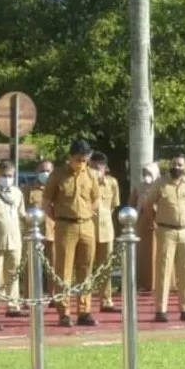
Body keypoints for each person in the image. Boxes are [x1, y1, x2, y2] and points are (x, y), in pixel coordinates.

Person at [43, 139, 100, 327]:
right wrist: (59, 219)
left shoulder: (91, 175)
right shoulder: (58, 175)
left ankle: (84, 311)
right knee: (64, 270)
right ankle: (64, 312)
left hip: (87, 225)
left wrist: (87, 214)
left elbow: (96, 199)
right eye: (78, 159)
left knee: (86, 269)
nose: (82, 163)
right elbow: (47, 203)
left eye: (85, 160)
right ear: (70, 157)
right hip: (65, 226)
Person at [147, 153, 185, 322]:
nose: (176, 167)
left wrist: (184, 221)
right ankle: (161, 310)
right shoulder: (160, 183)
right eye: (174, 164)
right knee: (163, 270)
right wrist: (154, 221)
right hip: (165, 231)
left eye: (180, 165)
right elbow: (147, 204)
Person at [0, 160, 26, 318]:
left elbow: (22, 214)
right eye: (4, 175)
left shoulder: (17, 192)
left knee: (13, 274)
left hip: (14, 240)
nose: (7, 178)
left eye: (10, 176)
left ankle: (13, 305)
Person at [90, 152, 120, 312]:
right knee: (86, 267)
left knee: (106, 267)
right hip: (88, 229)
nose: (95, 170)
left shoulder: (112, 183)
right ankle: (85, 303)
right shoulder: (86, 183)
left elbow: (114, 206)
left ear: (105, 168)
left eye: (98, 167)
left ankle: (106, 301)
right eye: (92, 167)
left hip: (106, 229)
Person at [21, 160, 56, 296]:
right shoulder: (28, 189)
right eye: (42, 171)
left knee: (53, 266)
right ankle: (29, 295)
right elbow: (22, 210)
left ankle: (55, 295)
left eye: (48, 171)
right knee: (30, 266)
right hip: (34, 233)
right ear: (36, 172)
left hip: (52, 231)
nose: (45, 173)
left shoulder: (57, 189)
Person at [129, 162, 159, 292]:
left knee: (157, 253)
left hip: (157, 221)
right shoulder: (139, 187)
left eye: (149, 173)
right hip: (142, 221)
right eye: (144, 173)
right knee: (143, 253)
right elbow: (131, 204)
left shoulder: (160, 187)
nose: (147, 176)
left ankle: (157, 283)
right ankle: (143, 282)